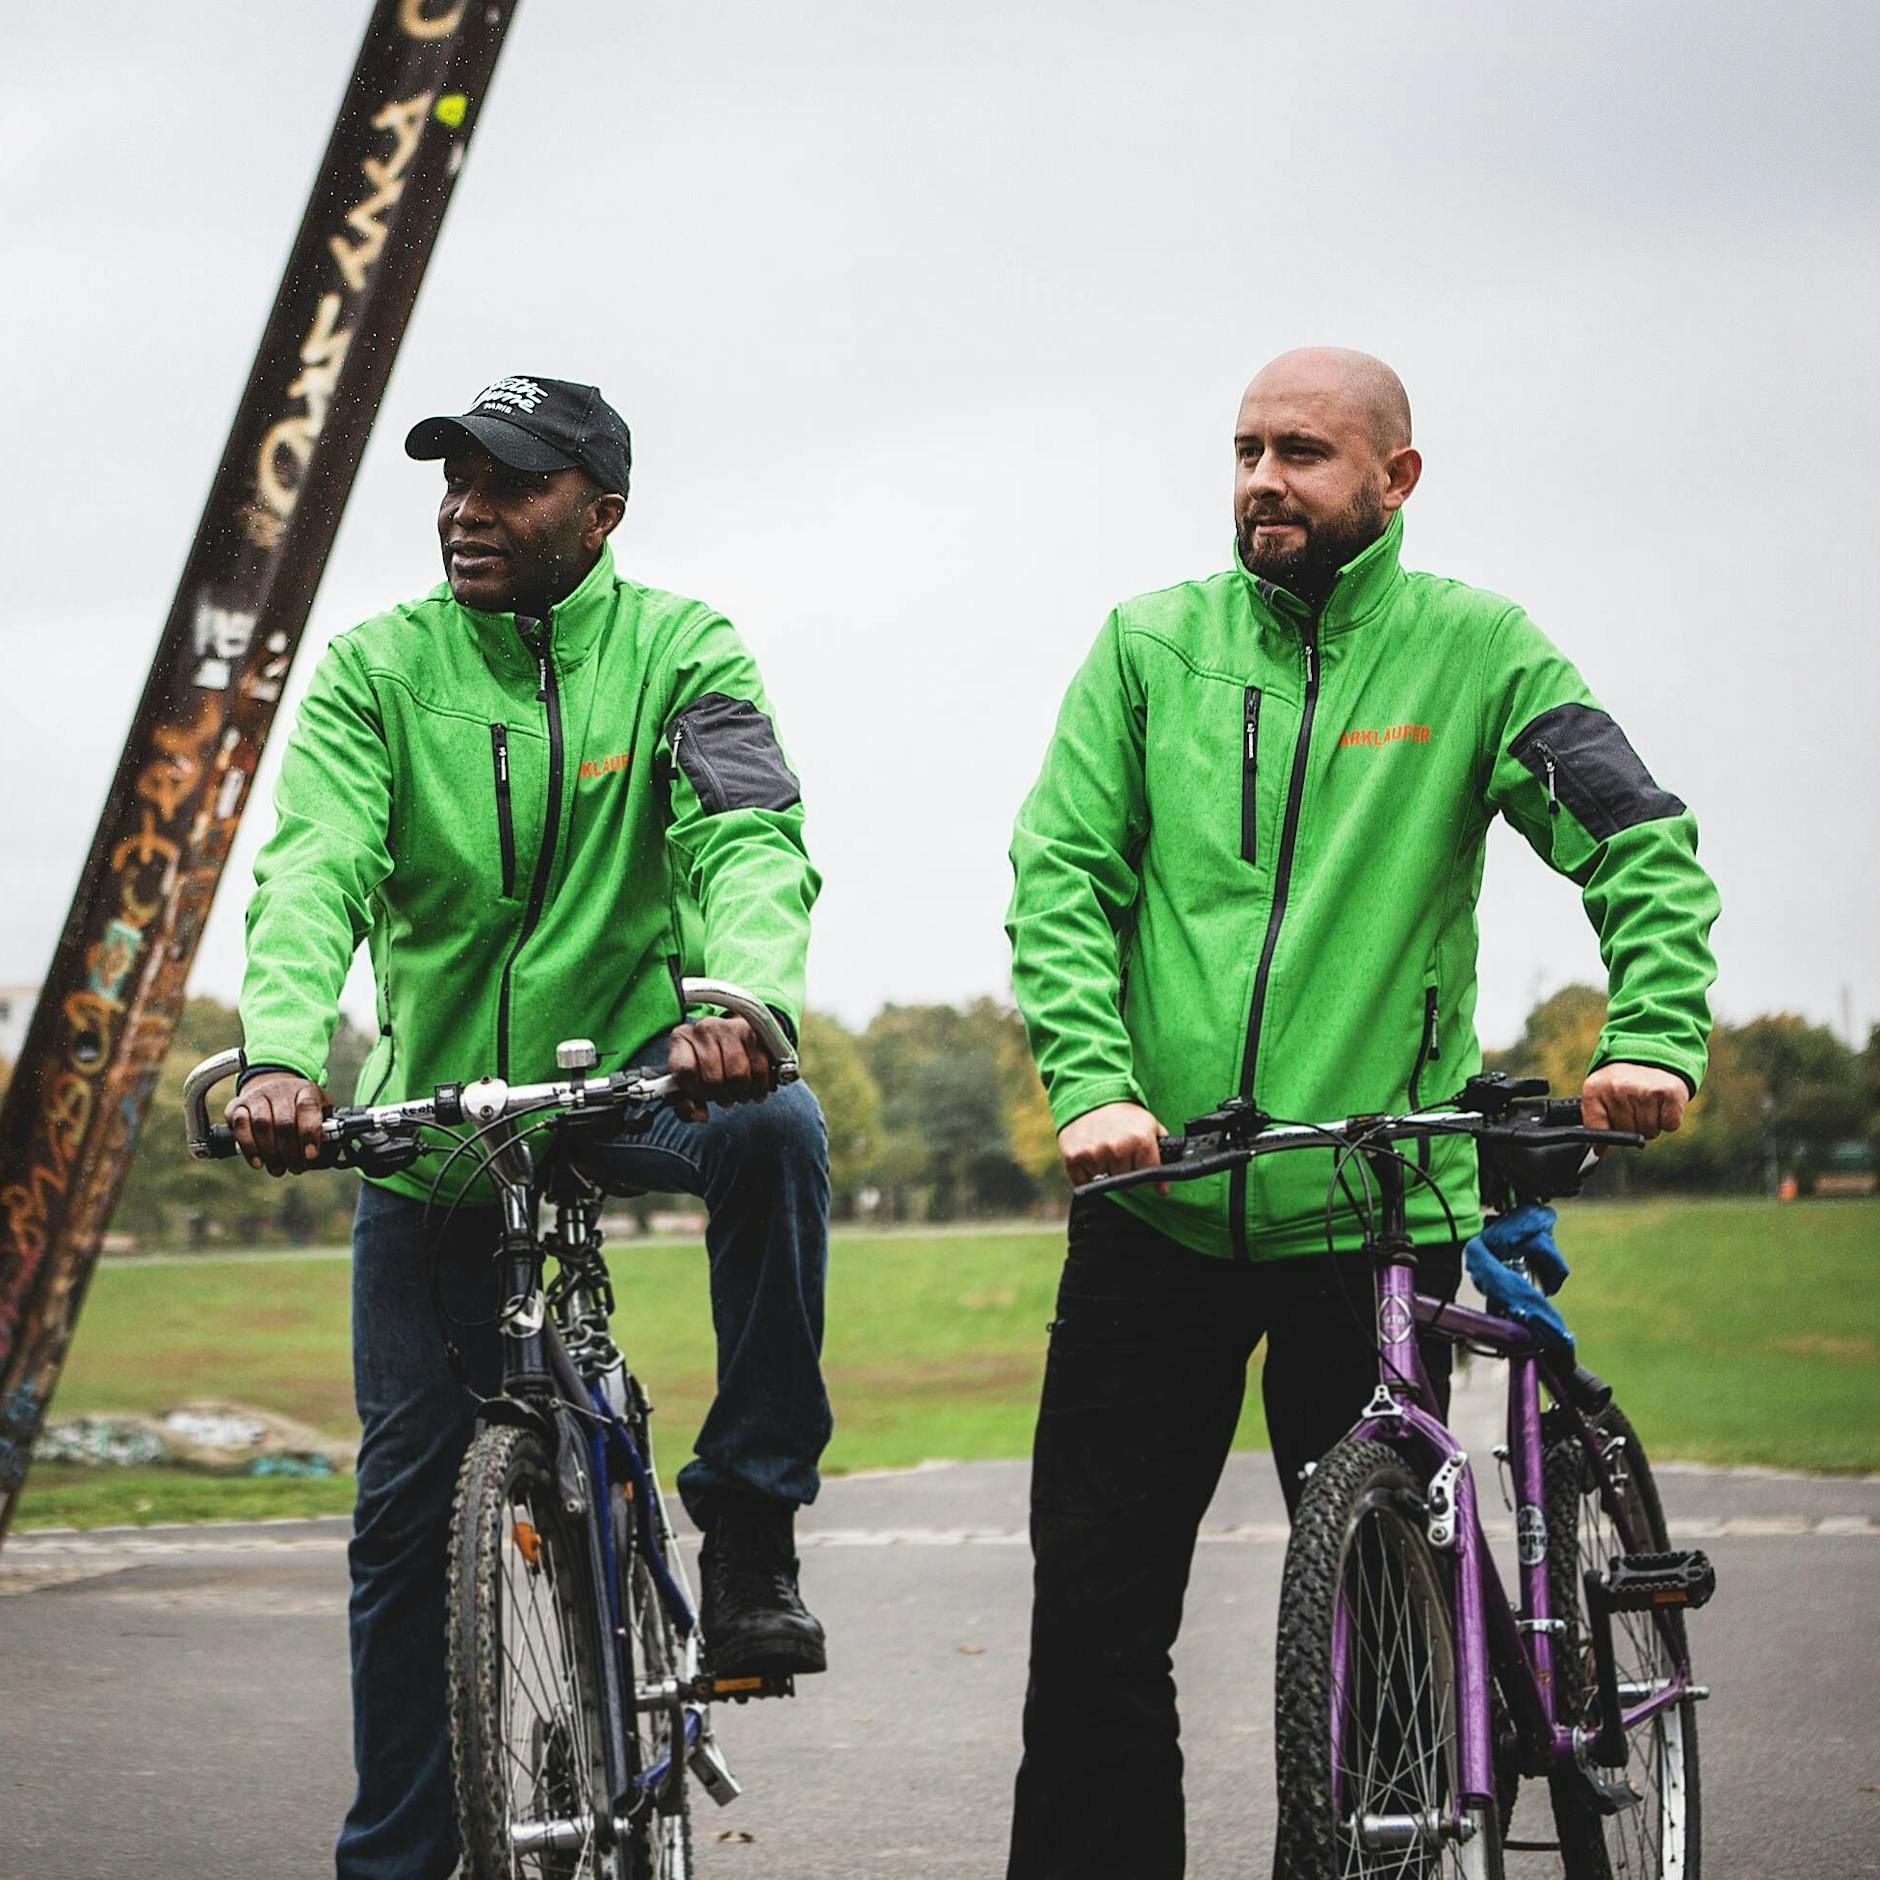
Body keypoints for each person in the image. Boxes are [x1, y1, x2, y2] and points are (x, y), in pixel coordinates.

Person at [1002, 346, 1720, 1877]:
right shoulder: (1148, 647)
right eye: (1248, 449)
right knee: (1096, 1631)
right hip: (1160, 1198)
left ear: (1394, 479)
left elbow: (1637, 838)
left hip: (1378, 1211)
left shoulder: (1479, 653)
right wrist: (1096, 1086)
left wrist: (1652, 1035)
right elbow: (1063, 878)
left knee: (1386, 1636)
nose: (1265, 478)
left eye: (1305, 452)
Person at [227, 374, 831, 1879]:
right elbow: (315, 873)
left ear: (600, 512)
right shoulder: (378, 669)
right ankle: (399, 1862)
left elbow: (747, 836)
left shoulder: (682, 648)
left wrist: (740, 1003)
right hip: (439, 1132)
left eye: (508, 485)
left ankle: (751, 1530)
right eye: (453, 482)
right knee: (402, 1527)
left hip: (632, 1075)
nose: (465, 511)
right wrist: (284, 1058)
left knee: (780, 1133)